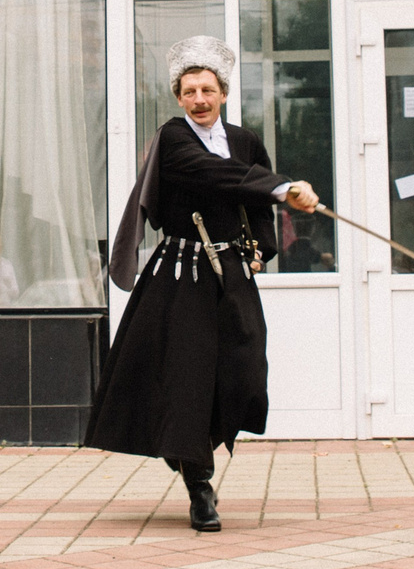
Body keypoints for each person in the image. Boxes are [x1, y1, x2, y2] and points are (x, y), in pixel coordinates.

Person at [91, 37, 320, 532]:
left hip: (232, 272)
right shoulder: (172, 140)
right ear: (178, 96)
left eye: (208, 90)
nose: (199, 99)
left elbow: (252, 203)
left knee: (244, 369)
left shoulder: (245, 141)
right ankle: (199, 484)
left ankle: (186, 447)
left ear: (223, 93)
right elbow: (216, 176)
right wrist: (284, 186)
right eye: (190, 90)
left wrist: (262, 249)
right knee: (190, 380)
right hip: (181, 274)